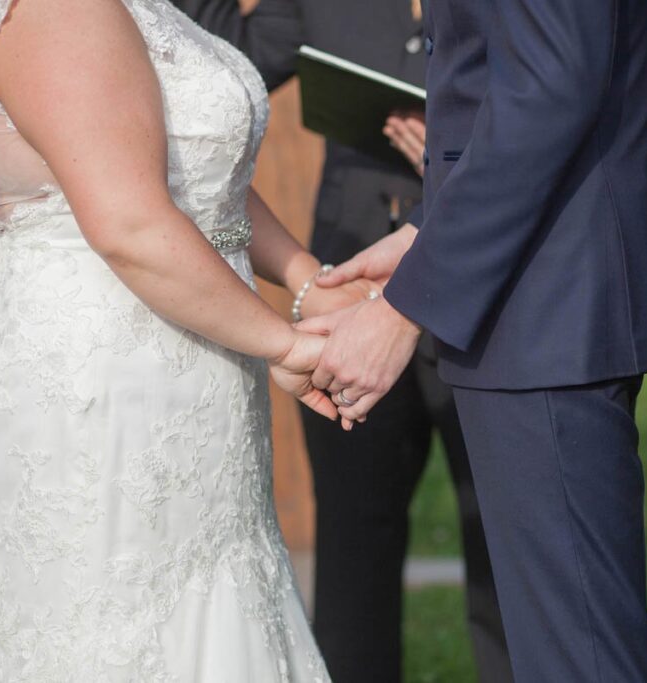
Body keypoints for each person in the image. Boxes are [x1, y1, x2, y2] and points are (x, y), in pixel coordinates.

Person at [0, 0, 381, 679]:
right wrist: (285, 346)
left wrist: (305, 283)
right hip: (113, 378)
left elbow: (195, 171)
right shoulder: (60, 10)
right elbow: (132, 223)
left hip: (175, 352)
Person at [309, 0, 647, 681]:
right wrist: (428, 232)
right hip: (546, 282)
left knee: (577, 655)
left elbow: (553, 81)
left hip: (543, 299)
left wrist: (406, 310)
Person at [171, 2, 512, 681]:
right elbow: (218, 53)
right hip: (346, 292)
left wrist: (461, 143)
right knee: (353, 552)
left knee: (506, 556)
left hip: (492, 296)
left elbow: (551, 94)